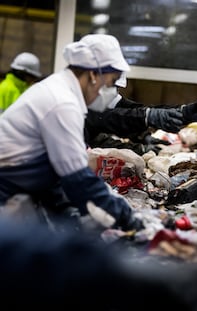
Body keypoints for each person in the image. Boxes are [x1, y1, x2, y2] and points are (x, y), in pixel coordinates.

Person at [0, 34, 145, 231]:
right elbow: (78, 178)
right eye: (111, 83)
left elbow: (55, 170)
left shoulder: (60, 89)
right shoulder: (62, 103)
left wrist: (65, 210)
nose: (111, 91)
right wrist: (123, 213)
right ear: (93, 75)